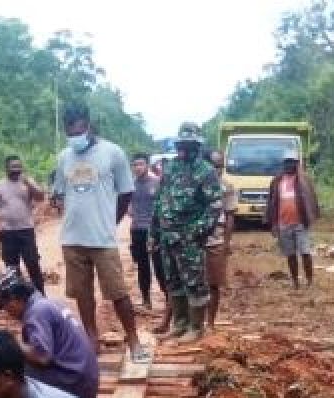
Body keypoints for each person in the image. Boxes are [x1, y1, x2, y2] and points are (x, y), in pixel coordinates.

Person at [52, 104, 146, 361]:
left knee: (117, 292)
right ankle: (91, 337)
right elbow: (59, 192)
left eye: (79, 131)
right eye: (70, 133)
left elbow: (126, 192)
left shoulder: (112, 153)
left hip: (102, 239)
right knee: (82, 294)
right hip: (72, 239)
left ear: (89, 126)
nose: (75, 138)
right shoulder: (64, 157)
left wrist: (111, 221)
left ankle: (133, 339)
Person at [152, 122, 223, 343]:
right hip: (167, 236)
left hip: (189, 238)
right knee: (173, 281)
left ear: (196, 146)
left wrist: (197, 231)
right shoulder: (171, 167)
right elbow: (160, 200)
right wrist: (154, 232)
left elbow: (214, 205)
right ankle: (179, 324)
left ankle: (196, 327)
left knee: (194, 282)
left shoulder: (205, 171)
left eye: (187, 145)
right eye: (180, 144)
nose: (182, 149)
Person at [0, 271, 99, 398]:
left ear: (13, 299)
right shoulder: (46, 303)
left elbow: (42, 357)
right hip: (83, 378)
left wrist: (10, 343)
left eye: (5, 306)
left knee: (8, 372)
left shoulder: (37, 312)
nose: (7, 312)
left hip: (74, 383)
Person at [264, 149, 320, 290]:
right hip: (283, 224)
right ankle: (295, 281)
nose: (290, 165)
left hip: (301, 222)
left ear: (297, 164)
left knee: (305, 252)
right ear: (283, 164)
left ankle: (309, 281)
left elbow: (311, 199)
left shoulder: (304, 180)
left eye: (293, 163)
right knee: (290, 254)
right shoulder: (277, 181)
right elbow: (272, 203)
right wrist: (273, 223)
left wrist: (311, 216)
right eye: (287, 162)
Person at [0, 155, 46, 293]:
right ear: (6, 168)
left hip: (26, 231)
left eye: (18, 167)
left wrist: (29, 183)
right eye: (13, 167)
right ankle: (20, 300)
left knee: (33, 264)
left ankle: (41, 297)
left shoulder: (27, 182)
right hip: (7, 232)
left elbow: (41, 197)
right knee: (12, 268)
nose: (16, 170)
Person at [206, 149, 238, 331]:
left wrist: (226, 243)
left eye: (220, 166)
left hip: (216, 240)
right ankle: (194, 322)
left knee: (214, 283)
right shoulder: (196, 184)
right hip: (196, 240)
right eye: (213, 166)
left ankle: (210, 322)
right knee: (194, 283)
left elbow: (230, 217)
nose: (217, 170)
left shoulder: (227, 187)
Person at [128, 152, 163, 311]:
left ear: (147, 165)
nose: (138, 167)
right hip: (137, 230)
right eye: (135, 164)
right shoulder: (130, 185)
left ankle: (169, 300)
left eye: (141, 164)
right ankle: (146, 300)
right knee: (142, 266)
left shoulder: (157, 183)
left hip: (155, 231)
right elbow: (127, 205)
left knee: (159, 265)